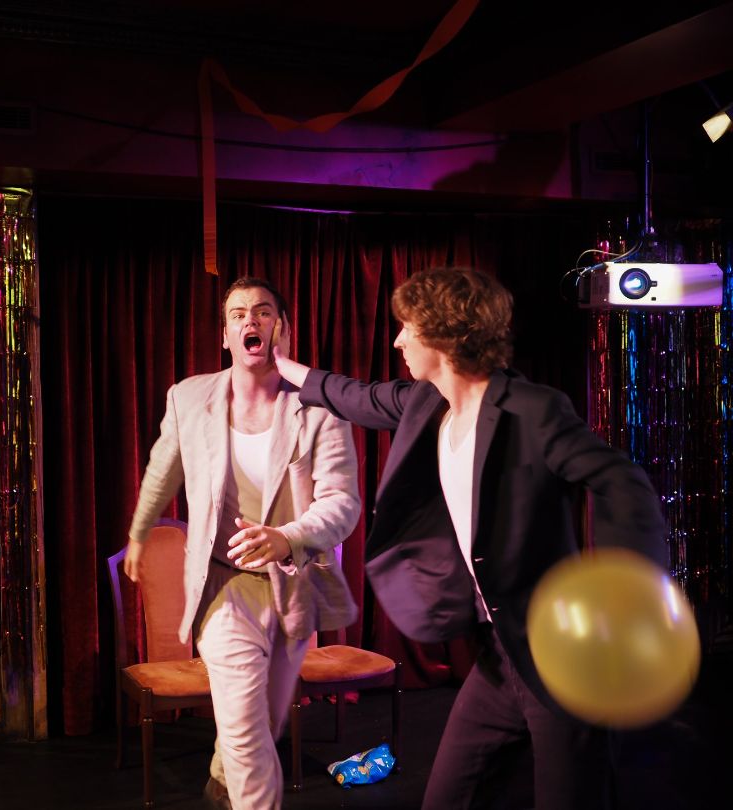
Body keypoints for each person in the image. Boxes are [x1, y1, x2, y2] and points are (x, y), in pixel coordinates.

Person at [272, 267, 667, 810]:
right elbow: (357, 396)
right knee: (447, 797)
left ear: (442, 333)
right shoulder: (427, 405)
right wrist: (283, 366)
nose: (398, 341)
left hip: (562, 657)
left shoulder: (531, 409)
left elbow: (624, 484)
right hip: (500, 657)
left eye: (407, 328)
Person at [125, 276, 361, 810]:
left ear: (283, 328)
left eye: (262, 311)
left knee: (262, 725)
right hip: (222, 586)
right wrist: (140, 531)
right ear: (226, 334)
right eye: (238, 314)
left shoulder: (320, 409)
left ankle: (221, 779)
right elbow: (163, 469)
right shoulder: (190, 398)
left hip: (290, 589)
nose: (249, 320)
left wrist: (287, 537)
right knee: (250, 741)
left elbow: (343, 503)